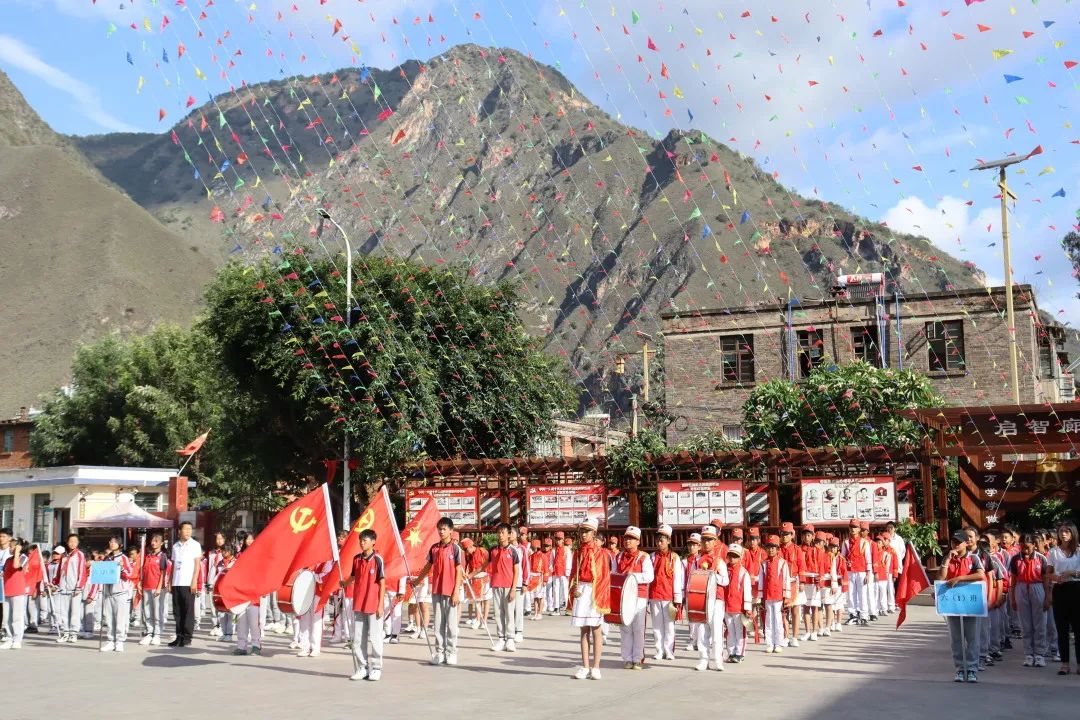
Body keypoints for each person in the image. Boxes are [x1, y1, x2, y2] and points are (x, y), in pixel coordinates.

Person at [411, 517, 464, 666]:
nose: (441, 531)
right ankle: (439, 652)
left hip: (450, 590)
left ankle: (451, 652)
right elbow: (428, 566)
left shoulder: (455, 549)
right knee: (438, 623)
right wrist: (417, 581)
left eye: (444, 529)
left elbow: (459, 570)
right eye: (439, 529)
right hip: (437, 590)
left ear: (451, 531)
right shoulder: (434, 548)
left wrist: (456, 591)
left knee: (451, 624)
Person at [939, 530, 986, 683]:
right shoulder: (948, 558)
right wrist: (947, 560)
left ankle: (972, 668)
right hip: (952, 602)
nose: (956, 544)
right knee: (956, 638)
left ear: (966, 543)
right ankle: (960, 668)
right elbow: (941, 578)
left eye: (959, 542)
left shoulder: (973, 558)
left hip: (970, 602)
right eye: (953, 542)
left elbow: (980, 575)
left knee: (972, 637)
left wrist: (960, 578)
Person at [568, 518, 610, 680]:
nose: (583, 534)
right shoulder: (578, 552)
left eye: (587, 531)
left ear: (594, 533)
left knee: (596, 629)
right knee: (584, 630)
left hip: (595, 592)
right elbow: (573, 572)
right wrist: (574, 586)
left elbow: (604, 577)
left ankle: (596, 667)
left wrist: (598, 594)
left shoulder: (601, 553)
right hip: (581, 591)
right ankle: (585, 666)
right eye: (582, 531)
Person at [1009, 532, 1050, 668]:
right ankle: (1028, 654)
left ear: (1034, 545)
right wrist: (1013, 597)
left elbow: (1045, 579)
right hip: (1021, 587)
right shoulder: (1015, 559)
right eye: (1022, 547)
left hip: (1037, 587)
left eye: (1028, 547)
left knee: (1040, 623)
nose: (1025, 551)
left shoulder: (1041, 559)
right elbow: (1013, 579)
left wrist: (1047, 597)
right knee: (1025, 624)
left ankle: (1039, 654)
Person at [615, 526, 653, 670]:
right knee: (625, 628)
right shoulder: (619, 556)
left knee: (638, 628)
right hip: (623, 597)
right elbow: (614, 573)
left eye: (631, 538)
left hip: (639, 596)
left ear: (638, 541)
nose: (627, 541)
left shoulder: (644, 557)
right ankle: (627, 658)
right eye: (626, 538)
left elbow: (649, 576)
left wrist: (632, 576)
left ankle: (637, 658)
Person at [349, 528, 385, 681]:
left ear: (373, 542)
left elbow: (382, 583)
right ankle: (361, 668)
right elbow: (352, 577)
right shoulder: (356, 559)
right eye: (361, 540)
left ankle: (376, 668)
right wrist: (343, 583)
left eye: (365, 540)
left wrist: (381, 604)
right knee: (358, 638)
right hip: (358, 603)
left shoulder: (377, 559)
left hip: (373, 604)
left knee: (375, 638)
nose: (362, 543)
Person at [1047, 521, 1080, 675]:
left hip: (1076, 588)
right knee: (1062, 629)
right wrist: (1055, 577)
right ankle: (1065, 663)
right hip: (1060, 589)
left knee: (1078, 628)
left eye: (1067, 531)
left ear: (1073, 533)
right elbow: (1048, 573)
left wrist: (1072, 573)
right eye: (1061, 531)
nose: (1064, 534)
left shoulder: (1079, 551)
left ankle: (1079, 663)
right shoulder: (1053, 552)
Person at [695, 525, 729, 671]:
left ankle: (717, 659)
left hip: (716, 599)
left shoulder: (719, 561)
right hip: (701, 599)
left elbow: (725, 581)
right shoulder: (696, 560)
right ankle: (703, 659)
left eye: (710, 540)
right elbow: (691, 579)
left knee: (716, 630)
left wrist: (712, 575)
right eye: (704, 540)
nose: (707, 543)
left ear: (715, 542)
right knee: (702, 630)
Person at [648, 523, 684, 661]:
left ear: (669, 540)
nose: (659, 542)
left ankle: (669, 651)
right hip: (654, 595)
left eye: (662, 540)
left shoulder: (674, 557)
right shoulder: (651, 557)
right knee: (656, 626)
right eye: (657, 539)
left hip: (668, 596)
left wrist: (677, 599)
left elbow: (677, 579)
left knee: (669, 625)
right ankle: (659, 650)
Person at [100, 535, 137, 652]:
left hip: (120, 592)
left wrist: (121, 568)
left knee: (120, 618)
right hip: (108, 592)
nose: (111, 543)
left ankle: (119, 641)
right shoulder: (107, 558)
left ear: (120, 545)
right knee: (109, 618)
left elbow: (129, 575)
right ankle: (110, 640)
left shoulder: (124, 558)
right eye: (110, 541)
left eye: (114, 542)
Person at [169, 521, 202, 647]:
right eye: (185, 529)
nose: (188, 531)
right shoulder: (175, 546)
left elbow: (197, 565)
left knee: (188, 611)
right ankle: (179, 636)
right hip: (177, 582)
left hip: (188, 582)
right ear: (179, 531)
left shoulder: (195, 545)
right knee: (177, 611)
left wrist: (194, 581)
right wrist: (170, 581)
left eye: (190, 529)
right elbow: (173, 565)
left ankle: (187, 637)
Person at [758, 534, 791, 654]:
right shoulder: (763, 564)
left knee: (778, 619)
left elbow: (786, 579)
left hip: (778, 596)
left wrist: (786, 596)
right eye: (769, 547)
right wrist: (761, 596)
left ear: (778, 549)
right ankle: (769, 643)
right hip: (767, 595)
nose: (771, 550)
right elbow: (761, 580)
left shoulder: (783, 563)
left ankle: (778, 643)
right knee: (768, 619)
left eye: (773, 547)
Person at [139, 532, 171, 646]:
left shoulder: (162, 556)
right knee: (147, 611)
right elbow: (143, 571)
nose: (153, 543)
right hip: (146, 586)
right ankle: (149, 632)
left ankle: (157, 634)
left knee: (158, 612)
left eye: (156, 541)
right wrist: (140, 583)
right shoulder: (147, 556)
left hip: (157, 588)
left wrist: (159, 587)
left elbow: (163, 573)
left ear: (161, 543)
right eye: (152, 540)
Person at [725, 545, 753, 663]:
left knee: (740, 631)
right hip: (727, 607)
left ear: (740, 557)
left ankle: (739, 653)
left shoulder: (743, 572)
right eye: (730, 556)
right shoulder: (724, 570)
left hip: (739, 607)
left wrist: (747, 608)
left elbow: (747, 591)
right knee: (730, 631)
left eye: (735, 556)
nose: (732, 559)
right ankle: (731, 652)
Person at [842, 520, 872, 625]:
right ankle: (853, 615)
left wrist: (868, 573)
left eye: (855, 527)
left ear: (859, 529)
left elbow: (868, 558)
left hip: (861, 571)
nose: (853, 529)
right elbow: (842, 558)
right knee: (850, 594)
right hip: (850, 572)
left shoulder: (865, 542)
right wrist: (846, 563)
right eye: (851, 527)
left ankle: (864, 616)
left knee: (863, 594)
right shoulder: (845, 542)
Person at [0, 537, 28, 649]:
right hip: (7, 591)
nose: (10, 548)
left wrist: (17, 552)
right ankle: (9, 638)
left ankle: (17, 640)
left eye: (12, 546)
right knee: (7, 617)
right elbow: (4, 572)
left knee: (17, 617)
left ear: (18, 547)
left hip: (18, 591)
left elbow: (16, 566)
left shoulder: (23, 557)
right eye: (10, 546)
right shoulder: (7, 560)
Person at [778, 522, 803, 646]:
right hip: (781, 583)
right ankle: (785, 636)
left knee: (795, 610)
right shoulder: (777, 549)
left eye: (787, 534)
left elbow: (801, 565)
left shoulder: (797, 549)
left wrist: (802, 581)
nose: (784, 536)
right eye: (782, 534)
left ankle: (795, 637)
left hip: (794, 581)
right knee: (783, 611)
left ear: (792, 535)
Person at [684, 532, 704, 652]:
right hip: (688, 592)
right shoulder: (684, 561)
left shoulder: (702, 560)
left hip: (699, 592)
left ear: (699, 546)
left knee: (700, 618)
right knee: (691, 618)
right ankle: (692, 640)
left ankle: (700, 640)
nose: (692, 547)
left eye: (694, 545)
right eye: (690, 545)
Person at [213, 546, 236, 643]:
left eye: (226, 550)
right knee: (221, 612)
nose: (224, 552)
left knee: (231, 613)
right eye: (223, 551)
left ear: (231, 551)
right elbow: (216, 575)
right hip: (220, 590)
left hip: (231, 590)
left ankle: (229, 634)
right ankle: (223, 632)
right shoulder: (220, 563)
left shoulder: (236, 562)